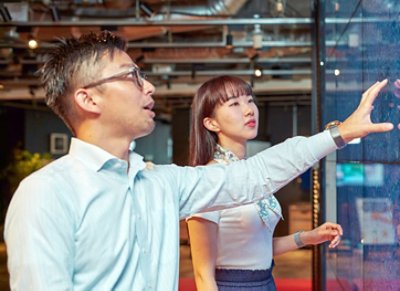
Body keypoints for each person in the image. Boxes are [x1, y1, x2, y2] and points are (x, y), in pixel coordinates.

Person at [3, 30, 393, 290]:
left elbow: (254, 175)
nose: (150, 86)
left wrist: (341, 133)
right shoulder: (45, 193)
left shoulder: (162, 184)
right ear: (88, 99)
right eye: (132, 76)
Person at [187, 75, 343, 291]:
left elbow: (255, 248)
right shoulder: (209, 179)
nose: (249, 109)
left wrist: (310, 237)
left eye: (250, 100)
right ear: (211, 123)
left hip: (265, 282)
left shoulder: (251, 175)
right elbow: (203, 275)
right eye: (234, 104)